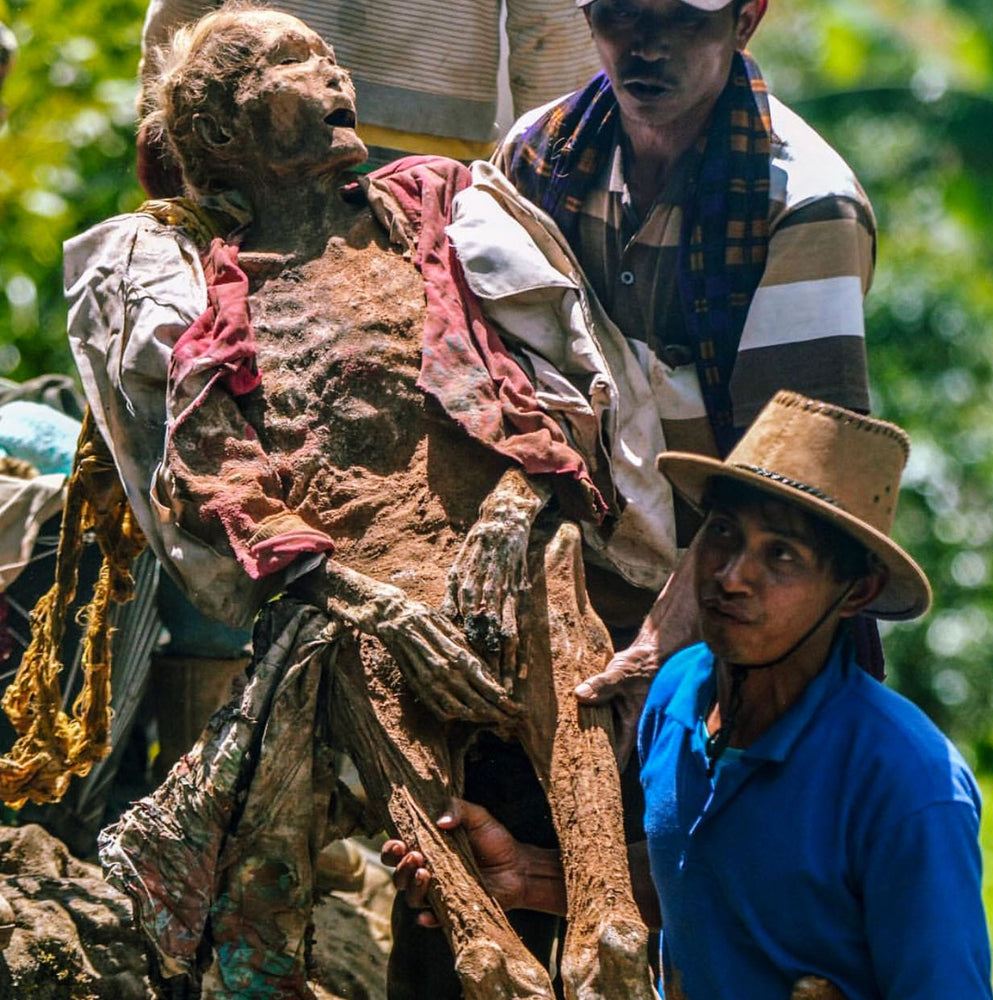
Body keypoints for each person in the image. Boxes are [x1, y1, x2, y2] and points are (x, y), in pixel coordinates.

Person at [62, 8, 655, 996]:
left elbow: (553, 379)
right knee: (352, 659)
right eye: (297, 63)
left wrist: (515, 507)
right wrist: (379, 603)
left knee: (555, 592)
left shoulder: (433, 204)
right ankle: (483, 941)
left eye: (330, 56)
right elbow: (217, 477)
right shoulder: (219, 307)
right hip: (373, 598)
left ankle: (609, 928)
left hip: (507, 554)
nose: (334, 75)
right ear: (220, 136)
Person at [386, 390, 993, 999]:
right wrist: (529, 874)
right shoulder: (678, 692)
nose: (731, 575)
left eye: (781, 554)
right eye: (724, 533)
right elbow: (698, 873)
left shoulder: (910, 783)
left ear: (858, 592)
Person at [495, 0, 881, 711]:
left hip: (729, 594)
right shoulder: (537, 155)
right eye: (621, 15)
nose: (647, 47)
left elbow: (789, 480)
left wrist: (664, 639)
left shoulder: (803, 204)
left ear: (746, 19)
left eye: (681, 19)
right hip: (559, 566)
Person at [137, 0, 601, 190]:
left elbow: (178, 20)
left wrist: (163, 134)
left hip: (261, 144)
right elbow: (551, 30)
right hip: (429, 159)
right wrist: (550, 173)